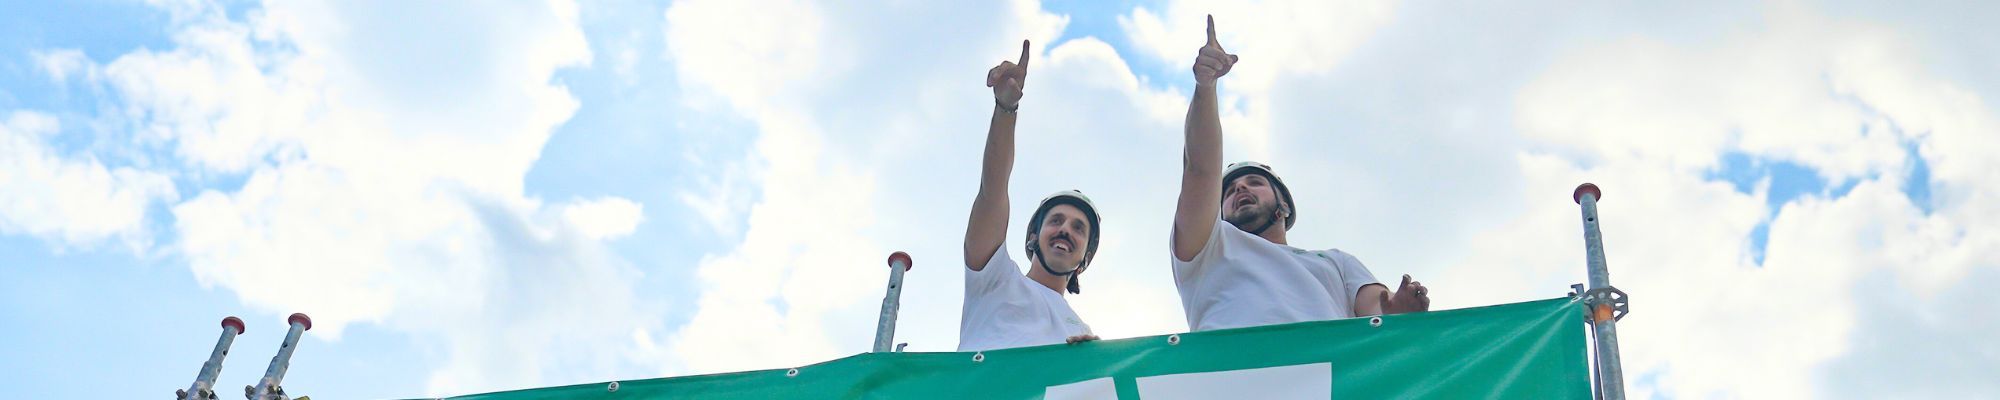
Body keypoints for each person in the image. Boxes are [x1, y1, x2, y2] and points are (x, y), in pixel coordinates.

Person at [1169, 16, 1431, 332]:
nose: (1240, 189)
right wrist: (1206, 85)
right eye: (1230, 189)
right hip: (1231, 364)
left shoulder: (1336, 262)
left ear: (1284, 207)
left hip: (1325, 364)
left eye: (1255, 182)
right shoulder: (1208, 250)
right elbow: (1200, 169)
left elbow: (1378, 311)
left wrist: (1396, 312)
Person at [959, 40, 1101, 351]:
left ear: (1085, 259)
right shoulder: (995, 279)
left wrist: (1092, 364)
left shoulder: (1081, 331)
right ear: (1033, 237)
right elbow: (992, 190)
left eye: (1079, 228)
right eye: (1056, 220)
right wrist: (1006, 109)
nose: (1066, 229)